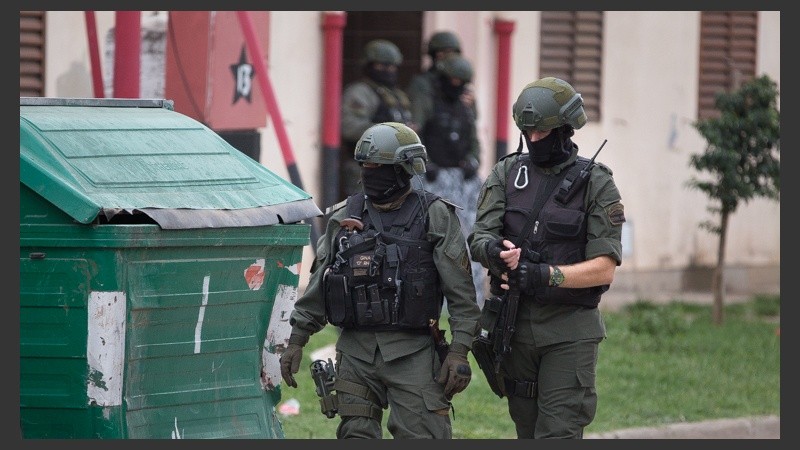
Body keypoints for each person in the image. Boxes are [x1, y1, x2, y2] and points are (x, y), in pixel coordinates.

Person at [281, 122, 481, 439]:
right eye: (366, 165)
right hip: (355, 354)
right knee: (355, 435)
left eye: (379, 166)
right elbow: (319, 286)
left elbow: (461, 294)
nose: (370, 173)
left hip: (413, 354)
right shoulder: (343, 217)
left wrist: (458, 352)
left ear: (404, 169)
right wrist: (296, 340)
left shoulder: (435, 215)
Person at [467, 77, 626, 439]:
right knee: (526, 431)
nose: (534, 139)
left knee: (558, 433)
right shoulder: (508, 173)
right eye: (528, 133)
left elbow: (604, 268)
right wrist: (495, 252)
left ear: (566, 129)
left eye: (543, 132)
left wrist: (544, 275)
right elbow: (479, 237)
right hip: (515, 327)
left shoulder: (597, 183)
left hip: (569, 330)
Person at [407, 48, 487, 308]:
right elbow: (415, 136)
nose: (457, 86)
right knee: (427, 239)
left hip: (463, 183)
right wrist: (425, 164)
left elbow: (474, 141)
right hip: (431, 180)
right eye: (453, 81)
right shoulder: (427, 104)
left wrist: (472, 162)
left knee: (470, 240)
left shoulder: (465, 108)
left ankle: (470, 299)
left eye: (461, 82)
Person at [340, 39, 414, 199]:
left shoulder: (395, 94)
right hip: (368, 168)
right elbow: (349, 127)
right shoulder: (360, 92)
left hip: (397, 168)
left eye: (392, 67)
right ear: (369, 65)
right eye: (382, 66)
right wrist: (389, 131)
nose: (389, 71)